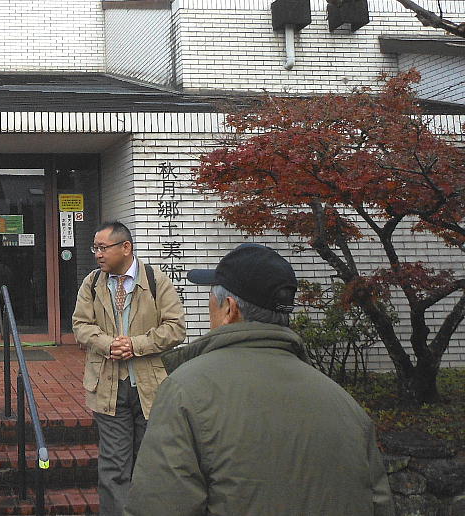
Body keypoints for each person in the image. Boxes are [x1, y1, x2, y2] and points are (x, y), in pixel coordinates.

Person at [126, 243, 394, 516]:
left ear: (229, 309)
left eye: (210, 302)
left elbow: (159, 505)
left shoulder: (185, 391)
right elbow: (379, 504)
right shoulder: (344, 404)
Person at [72, 221, 186, 516]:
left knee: (150, 463)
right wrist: (109, 344)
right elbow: (81, 325)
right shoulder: (92, 283)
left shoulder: (156, 280)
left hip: (150, 388)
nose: (97, 254)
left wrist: (136, 345)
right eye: (95, 248)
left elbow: (175, 328)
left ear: (126, 247)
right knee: (114, 466)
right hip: (107, 386)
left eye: (103, 247)